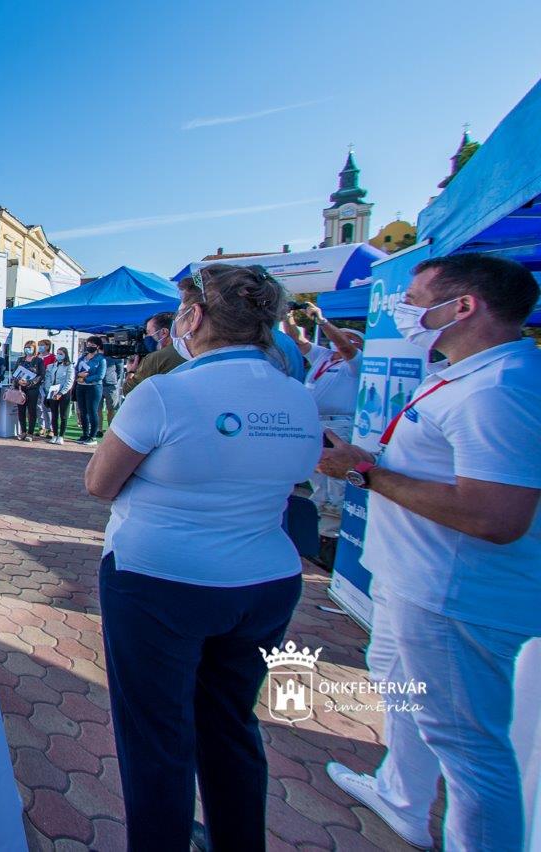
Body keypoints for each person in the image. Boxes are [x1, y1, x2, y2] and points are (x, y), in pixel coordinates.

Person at [84, 264, 319, 849]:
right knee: (232, 725)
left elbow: (99, 482)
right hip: (264, 582)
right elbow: (294, 478)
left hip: (160, 582)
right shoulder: (296, 395)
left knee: (157, 737)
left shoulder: (165, 392)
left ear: (193, 318)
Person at [316, 253, 541, 851]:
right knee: (399, 687)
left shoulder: (500, 388)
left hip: (453, 590)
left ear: (463, 306)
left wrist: (367, 474)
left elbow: (496, 516)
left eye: (416, 303)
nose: (408, 315)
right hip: (412, 577)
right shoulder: (465, 373)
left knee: (468, 748)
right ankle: (402, 797)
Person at [281, 303, 364, 538]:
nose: (336, 341)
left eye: (347, 337)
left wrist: (322, 321)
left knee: (336, 478)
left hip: (338, 424)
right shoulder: (324, 356)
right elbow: (298, 340)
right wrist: (289, 316)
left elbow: (345, 348)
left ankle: (334, 532)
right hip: (314, 420)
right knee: (316, 472)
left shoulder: (356, 362)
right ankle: (318, 527)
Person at [122, 312, 183, 395]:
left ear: (164, 332)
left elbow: (129, 391)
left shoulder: (156, 358)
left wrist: (131, 371)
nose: (146, 337)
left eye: (148, 332)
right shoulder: (189, 352)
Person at [73, 335, 107, 445]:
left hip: (94, 387)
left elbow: (100, 375)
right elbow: (76, 370)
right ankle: (85, 434)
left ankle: (92, 436)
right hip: (80, 387)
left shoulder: (101, 359)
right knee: (83, 412)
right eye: (88, 345)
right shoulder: (82, 357)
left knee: (92, 411)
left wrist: (86, 379)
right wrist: (79, 376)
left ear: (98, 346)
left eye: (92, 345)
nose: (89, 347)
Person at [12, 340, 46, 441]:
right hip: (20, 388)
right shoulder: (20, 359)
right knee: (21, 410)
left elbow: (41, 375)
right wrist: (19, 381)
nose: (28, 349)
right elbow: (15, 372)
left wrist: (29, 383)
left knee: (31, 411)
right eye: (26, 347)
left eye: (30, 347)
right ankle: (23, 431)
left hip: (32, 389)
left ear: (34, 348)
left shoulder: (39, 360)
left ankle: (30, 433)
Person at [44, 346, 75, 445]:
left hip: (64, 394)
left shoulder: (69, 366)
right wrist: (50, 390)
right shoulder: (52, 366)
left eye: (61, 354)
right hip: (53, 392)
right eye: (57, 353)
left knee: (63, 415)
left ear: (65, 355)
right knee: (54, 414)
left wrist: (61, 392)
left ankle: (61, 436)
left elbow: (69, 381)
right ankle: (55, 435)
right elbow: (48, 378)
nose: (58, 355)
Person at [37, 339, 57, 437]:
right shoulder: (36, 357)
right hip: (37, 384)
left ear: (48, 346)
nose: (40, 347)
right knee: (39, 406)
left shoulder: (53, 357)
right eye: (39, 345)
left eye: (42, 345)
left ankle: (51, 428)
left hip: (48, 385)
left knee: (48, 407)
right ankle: (42, 427)